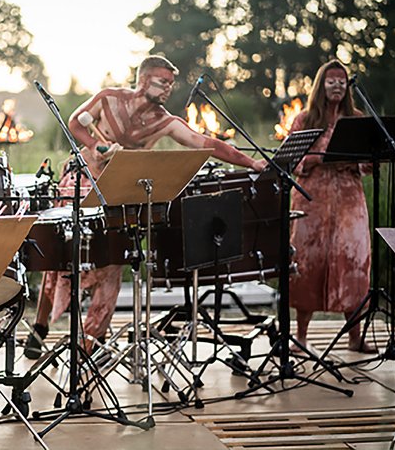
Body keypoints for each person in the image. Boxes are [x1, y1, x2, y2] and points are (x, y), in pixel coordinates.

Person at [25, 55, 266, 358]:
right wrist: (96, 146)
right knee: (62, 263)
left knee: (113, 264)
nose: (168, 88)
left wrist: (251, 162)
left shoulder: (164, 121)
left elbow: (209, 144)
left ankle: (88, 344)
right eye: (162, 81)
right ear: (143, 80)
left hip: (120, 197)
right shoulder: (109, 98)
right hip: (83, 183)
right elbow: (75, 122)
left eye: (171, 84)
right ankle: (41, 324)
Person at [289, 59, 375, 353]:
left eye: (341, 81)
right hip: (312, 201)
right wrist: (323, 157)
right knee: (307, 264)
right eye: (331, 81)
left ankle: (355, 338)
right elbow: (294, 162)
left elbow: (367, 164)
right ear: (321, 85)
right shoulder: (304, 120)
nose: (337, 85)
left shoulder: (357, 118)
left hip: (349, 203)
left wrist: (362, 160)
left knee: (353, 263)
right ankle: (300, 336)